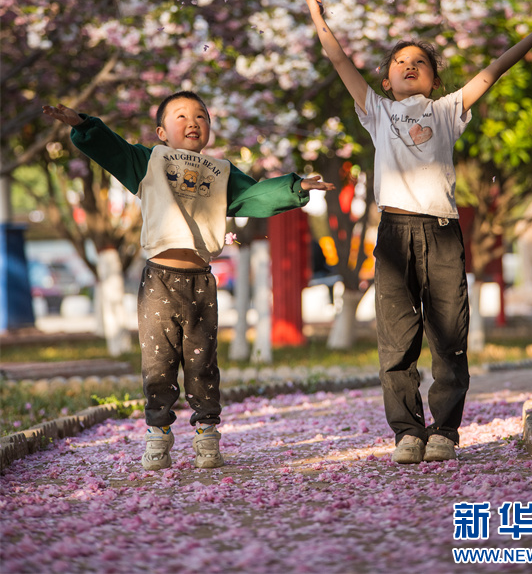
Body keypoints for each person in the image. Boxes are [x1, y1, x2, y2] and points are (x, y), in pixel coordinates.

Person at [292, 0, 532, 464]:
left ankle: (443, 430)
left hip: (441, 232)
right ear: (387, 81)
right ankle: (407, 432)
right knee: (396, 339)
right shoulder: (377, 113)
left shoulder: (447, 112)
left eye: (419, 62)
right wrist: (318, 17)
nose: (409, 66)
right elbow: (340, 63)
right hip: (395, 234)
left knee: (449, 336)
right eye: (400, 62)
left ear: (433, 80)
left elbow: (494, 70)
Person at [42, 91, 334, 471]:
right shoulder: (148, 161)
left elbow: (256, 194)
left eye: (201, 115)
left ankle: (207, 436)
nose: (192, 121)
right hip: (159, 280)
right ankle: (158, 434)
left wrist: (296, 188)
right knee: (158, 364)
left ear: (210, 128)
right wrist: (84, 126)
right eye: (180, 116)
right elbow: (111, 148)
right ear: (162, 131)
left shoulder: (222, 171)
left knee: (202, 364)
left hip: (200, 281)